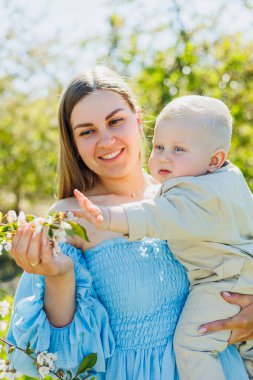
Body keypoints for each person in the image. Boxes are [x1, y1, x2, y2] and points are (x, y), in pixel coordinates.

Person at [6, 67, 252, 380]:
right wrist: (59, 274)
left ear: (137, 119)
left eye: (115, 121)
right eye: (87, 131)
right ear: (74, 144)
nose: (106, 140)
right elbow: (61, 358)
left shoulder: (192, 193)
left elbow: (245, 246)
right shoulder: (68, 218)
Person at [73, 94, 253, 380]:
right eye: (159, 146)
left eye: (179, 149)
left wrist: (107, 217)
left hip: (224, 281)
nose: (165, 156)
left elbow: (155, 215)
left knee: (193, 344)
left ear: (215, 159)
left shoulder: (196, 195)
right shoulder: (229, 181)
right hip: (238, 275)